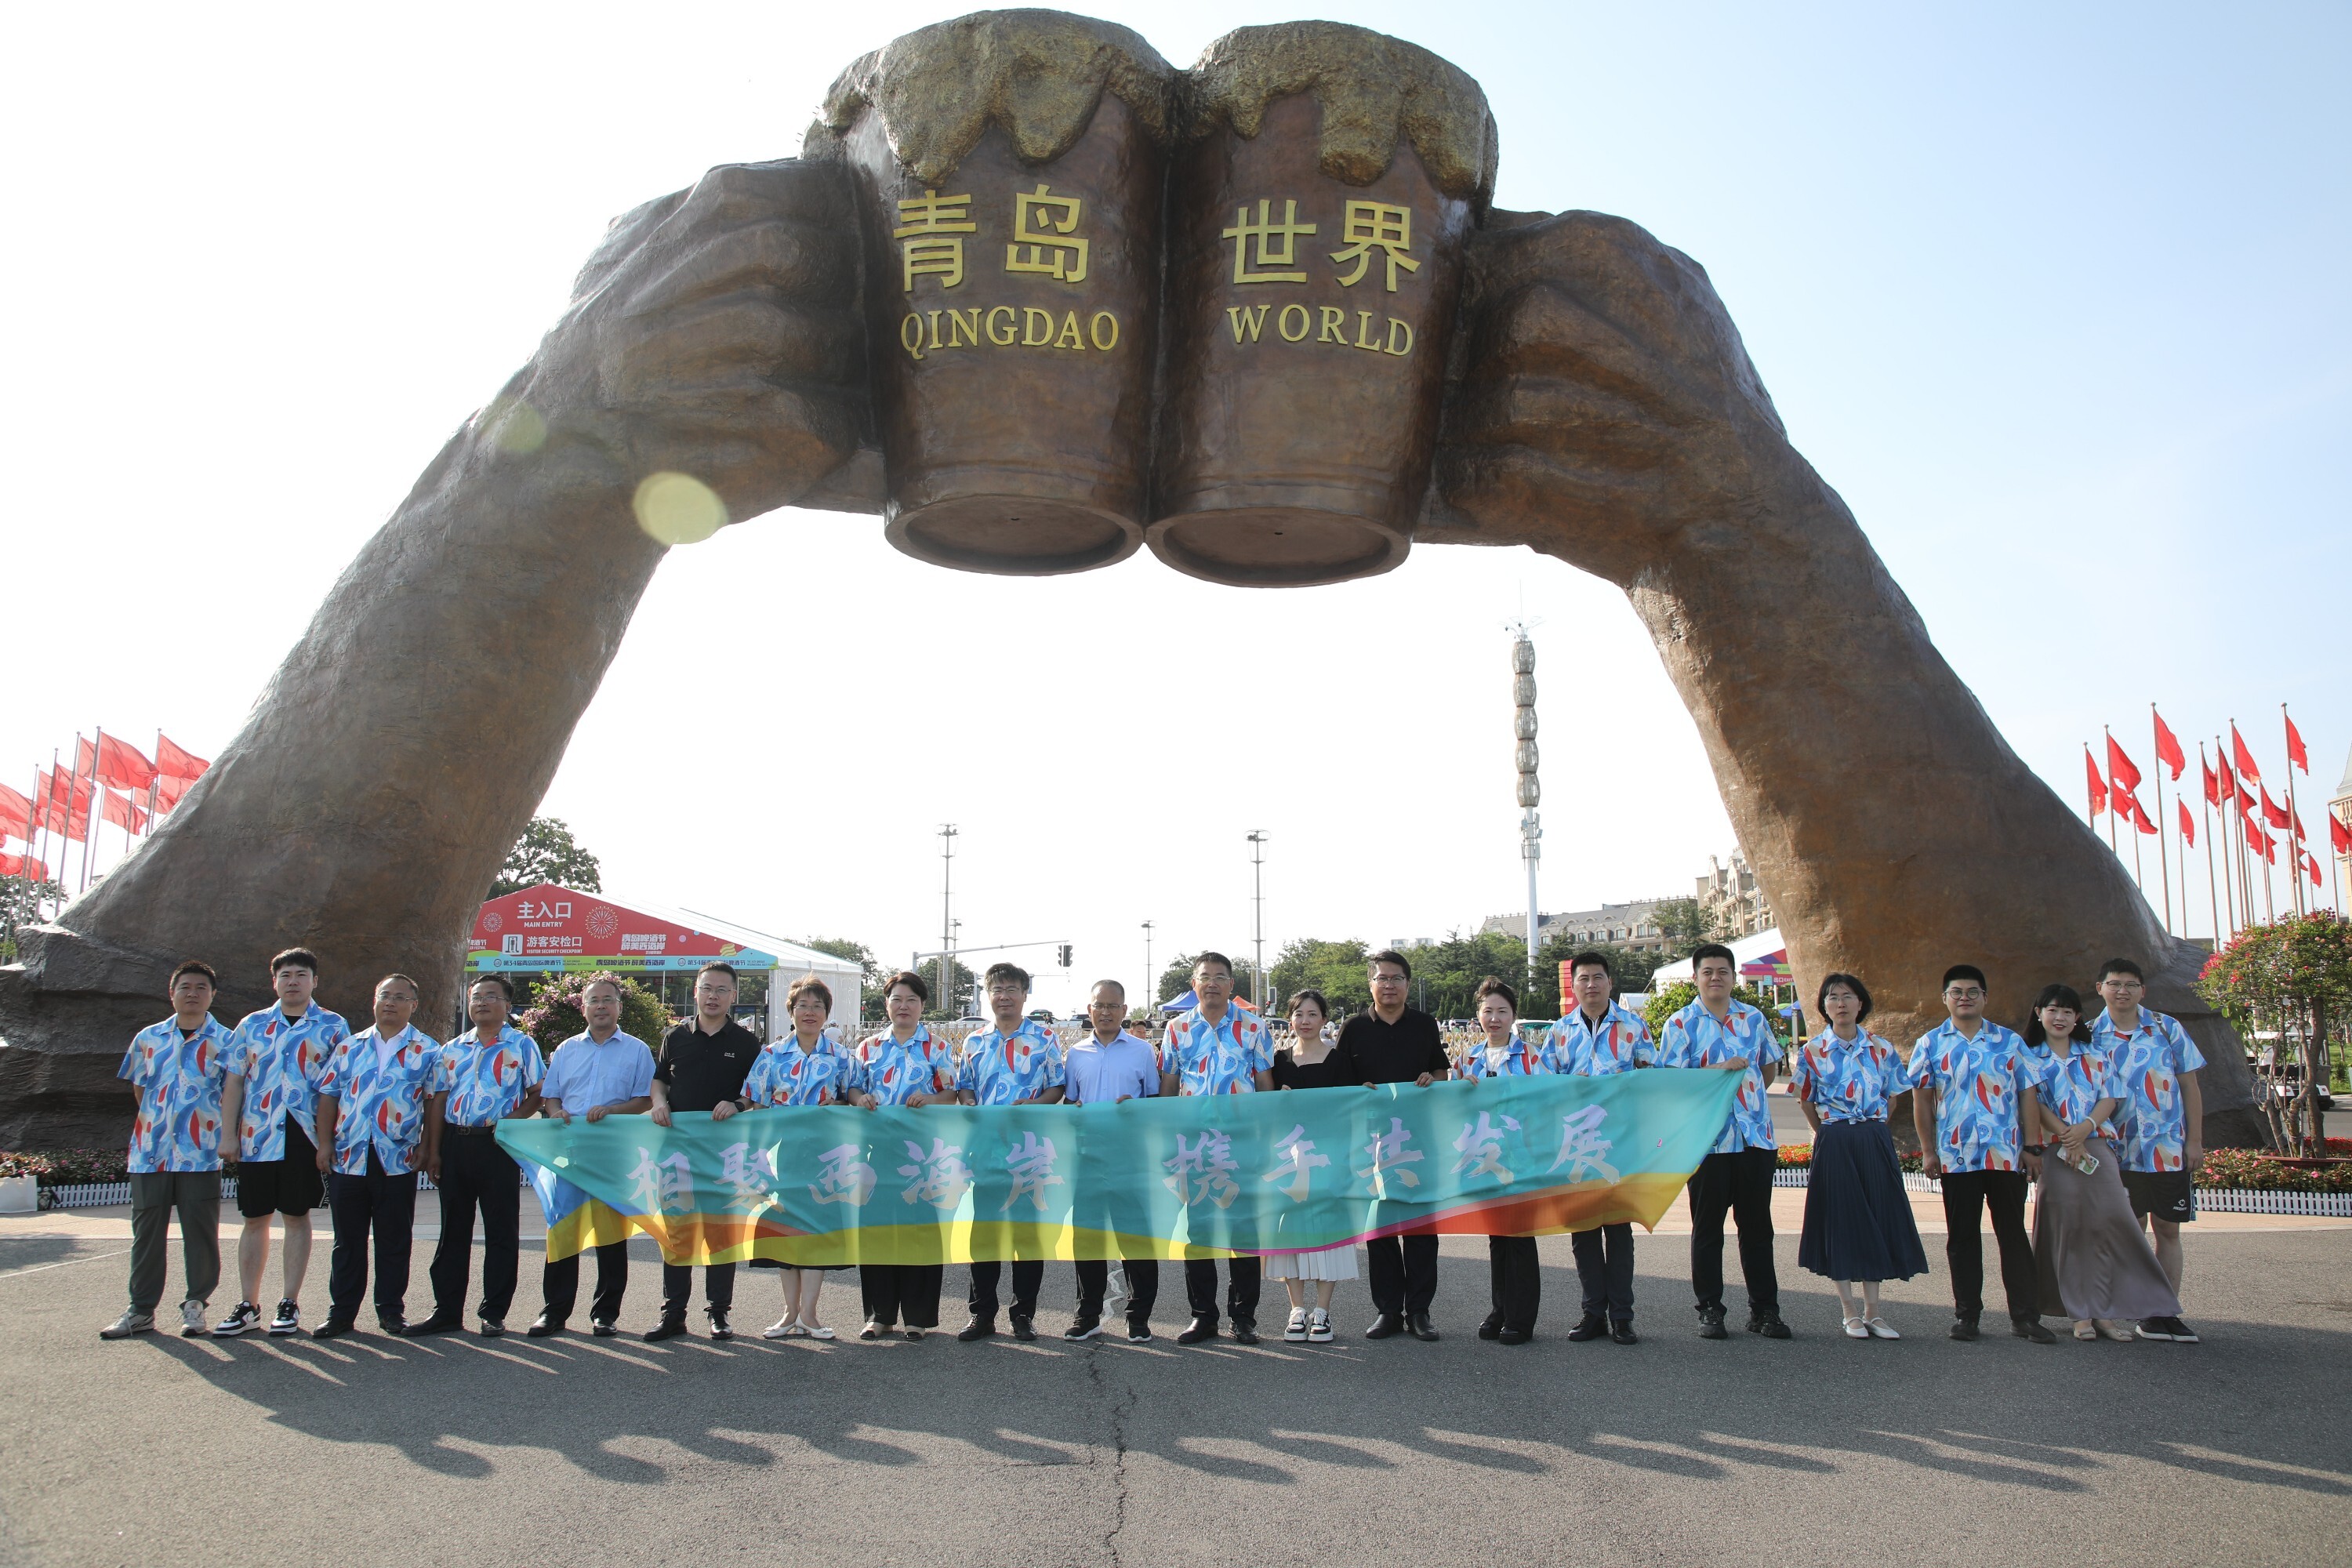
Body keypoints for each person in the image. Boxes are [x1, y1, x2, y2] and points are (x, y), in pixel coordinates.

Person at [1907, 964, 2056, 1344]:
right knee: (1962, 1238)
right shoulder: (1931, 1044)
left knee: (2012, 1235)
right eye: (1957, 992)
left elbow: (2028, 1095)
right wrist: (1928, 1151)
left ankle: (2025, 1317)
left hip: (2006, 1155)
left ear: (1985, 998)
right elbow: (1922, 1102)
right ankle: (1967, 1315)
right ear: (1945, 999)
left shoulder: (2009, 1042)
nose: (1965, 998)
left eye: (1973, 992)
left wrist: (2033, 1146)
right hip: (1957, 1156)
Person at [2023, 982, 2180, 1341]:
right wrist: (2068, 1135)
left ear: (2078, 1017)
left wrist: (2086, 1129)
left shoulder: (2094, 1054)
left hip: (2096, 1149)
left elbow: (2110, 1098)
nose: (2059, 1017)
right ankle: (2079, 1314)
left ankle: (2106, 1314)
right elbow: (2033, 1103)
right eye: (2052, 1009)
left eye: (2067, 1011)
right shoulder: (2029, 1056)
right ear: (2039, 1013)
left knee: (2107, 1229)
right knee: (2069, 1233)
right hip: (2056, 1153)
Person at [1653, 942, 1790, 1340]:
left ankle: (1765, 1310)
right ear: (1695, 978)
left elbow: (1767, 1069)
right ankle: (1710, 1308)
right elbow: (1675, 1084)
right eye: (1708, 971)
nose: (1716, 978)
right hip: (1708, 1143)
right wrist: (1718, 1071)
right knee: (1707, 1228)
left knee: (1757, 1228)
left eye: (1723, 971)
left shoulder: (1754, 1018)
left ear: (1734, 977)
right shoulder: (1679, 1024)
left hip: (1754, 1139)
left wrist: (1744, 1099)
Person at [214, 947, 348, 1338]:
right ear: (274, 981)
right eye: (286, 974)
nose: (293, 981)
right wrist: (228, 1134)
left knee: (296, 1216)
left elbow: (337, 1088)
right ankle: (248, 1304)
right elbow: (234, 1081)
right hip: (258, 1135)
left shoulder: (332, 1026)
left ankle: (289, 1302)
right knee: (254, 1218)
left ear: (315, 981)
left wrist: (329, 1141)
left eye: (301, 975)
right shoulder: (252, 1025)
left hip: (304, 1136)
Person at [1789, 973, 1926, 1339]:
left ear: (1860, 1003)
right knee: (1841, 1220)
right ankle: (1849, 1312)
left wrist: (1874, 1128)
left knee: (1877, 1216)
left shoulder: (1882, 1048)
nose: (1841, 1003)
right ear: (1824, 1007)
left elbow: (1894, 1095)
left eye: (1847, 996)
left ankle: (1875, 1314)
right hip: (1835, 1139)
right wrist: (1826, 1132)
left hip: (1873, 1138)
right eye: (1833, 998)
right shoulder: (1813, 1051)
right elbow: (1805, 1098)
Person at [103, 960, 234, 1340]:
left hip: (201, 1153)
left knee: (201, 1231)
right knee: (147, 1232)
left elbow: (231, 1095)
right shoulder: (149, 1038)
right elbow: (140, 1089)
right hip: (150, 1152)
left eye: (201, 988)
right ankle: (141, 1309)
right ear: (171, 992)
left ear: (212, 995)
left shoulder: (225, 1042)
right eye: (185, 987)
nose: (192, 993)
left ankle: (196, 1305)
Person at [410, 975, 543, 1338]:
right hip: (456, 1144)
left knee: (501, 1231)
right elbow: (437, 1102)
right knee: (453, 1230)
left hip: (498, 1147)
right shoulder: (450, 1049)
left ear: (507, 1005)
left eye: (491, 997)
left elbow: (537, 1094)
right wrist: (434, 1151)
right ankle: (447, 1310)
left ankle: (494, 1312)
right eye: (476, 997)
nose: (482, 1002)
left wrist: (510, 1124)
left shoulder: (522, 1046)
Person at [310, 974, 442, 1338]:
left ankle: (390, 1311)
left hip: (396, 1159)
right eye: (385, 995)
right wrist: (324, 1144)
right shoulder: (349, 1047)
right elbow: (329, 1096)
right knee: (347, 1241)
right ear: (374, 1000)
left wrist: (429, 1148)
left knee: (394, 1240)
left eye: (401, 997)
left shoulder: (428, 1050)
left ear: (413, 1006)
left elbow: (434, 1104)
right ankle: (341, 1314)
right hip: (348, 1157)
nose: (391, 1002)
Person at [1160, 952, 1276, 1345]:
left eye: (1220, 977)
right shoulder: (1176, 1029)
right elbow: (1168, 1088)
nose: (1212, 983)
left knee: (1244, 1232)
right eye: (1204, 976)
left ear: (1231, 986)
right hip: (1194, 1148)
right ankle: (1202, 1315)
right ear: (1194, 984)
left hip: (1241, 1144)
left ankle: (1243, 1317)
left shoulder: (1255, 1027)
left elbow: (1265, 1086)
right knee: (1199, 1233)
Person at [528, 976, 654, 1338]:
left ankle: (606, 1313)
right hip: (568, 1155)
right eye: (594, 1000)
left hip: (612, 1155)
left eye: (608, 1000)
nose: (601, 1006)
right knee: (563, 1229)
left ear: (619, 1007)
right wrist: (554, 1112)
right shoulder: (567, 1049)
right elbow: (551, 1095)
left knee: (610, 1235)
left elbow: (645, 1100)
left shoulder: (637, 1050)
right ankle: (554, 1311)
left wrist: (613, 1111)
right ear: (583, 1007)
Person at [1336, 949, 1452, 1342]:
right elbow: (1340, 1085)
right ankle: (1387, 1310)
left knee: (1420, 1227)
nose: (1388, 985)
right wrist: (1358, 1090)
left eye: (1396, 978)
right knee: (1380, 1228)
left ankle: (1420, 1310)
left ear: (1407, 984)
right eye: (1382, 978)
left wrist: (1430, 1080)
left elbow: (1440, 1070)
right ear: (1371, 983)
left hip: (1419, 1141)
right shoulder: (1353, 1028)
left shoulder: (1425, 1024)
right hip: (1371, 1143)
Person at [643, 961, 760, 1342]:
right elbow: (660, 1079)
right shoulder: (675, 1036)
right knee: (677, 1232)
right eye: (707, 988)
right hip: (676, 1151)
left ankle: (719, 1312)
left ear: (734, 996)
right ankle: (673, 1312)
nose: (713, 996)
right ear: (696, 992)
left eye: (722, 990)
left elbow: (756, 1093)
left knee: (721, 1233)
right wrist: (658, 1102)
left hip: (725, 1154)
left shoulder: (746, 1043)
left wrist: (737, 1105)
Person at [2090, 958, 2205, 1343]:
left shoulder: (2166, 1028)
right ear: (2100, 988)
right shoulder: (2089, 1036)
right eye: (2114, 983)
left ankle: (2165, 1310)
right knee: (2133, 1230)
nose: (2122, 991)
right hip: (2118, 1152)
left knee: (2168, 1229)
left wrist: (2194, 1141)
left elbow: (2190, 1087)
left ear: (2143, 990)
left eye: (2130, 984)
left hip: (2168, 1148)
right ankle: (2142, 1309)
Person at [739, 973, 859, 1340]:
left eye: (818, 1006)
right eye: (802, 1005)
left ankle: (811, 1314)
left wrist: (846, 1102)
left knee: (817, 1233)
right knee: (785, 1232)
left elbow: (853, 1094)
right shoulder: (771, 1055)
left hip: (826, 1158)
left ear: (827, 1014)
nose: (810, 1012)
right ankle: (789, 1314)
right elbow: (754, 1102)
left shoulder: (841, 1056)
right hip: (781, 1157)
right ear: (791, 1011)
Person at [1544, 952, 1656, 1345]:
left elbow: (1651, 1081)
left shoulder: (1633, 1026)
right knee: (1584, 1232)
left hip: (1621, 1144)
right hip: (1578, 1146)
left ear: (1610, 983)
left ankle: (1623, 1316)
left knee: (1619, 1231)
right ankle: (1593, 1313)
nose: (1591, 985)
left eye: (1598, 978)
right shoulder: (1558, 1032)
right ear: (1573, 987)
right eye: (1584, 979)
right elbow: (1544, 1091)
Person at [955, 962, 1066, 1342]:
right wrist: (969, 1103)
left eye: (1011, 989)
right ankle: (981, 1313)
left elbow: (1057, 1088)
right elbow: (964, 1087)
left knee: (1028, 1236)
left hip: (1029, 1154)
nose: (1004, 996)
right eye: (997, 990)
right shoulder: (975, 1041)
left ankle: (1023, 1315)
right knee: (983, 1234)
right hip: (986, 1154)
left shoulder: (1045, 1038)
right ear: (988, 995)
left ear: (1024, 994)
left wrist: (1034, 1107)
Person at [848, 970, 960, 1341]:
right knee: (877, 1231)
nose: (904, 1006)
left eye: (911, 1000)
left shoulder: (937, 1047)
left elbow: (952, 1094)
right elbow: (852, 1089)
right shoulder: (868, 1047)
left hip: (923, 1155)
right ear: (887, 1004)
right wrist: (859, 1099)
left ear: (922, 1006)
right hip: (877, 1153)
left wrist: (930, 1099)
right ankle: (880, 1315)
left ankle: (918, 1316)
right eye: (897, 999)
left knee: (922, 1231)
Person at [1060, 978, 1163, 1343]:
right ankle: (1088, 1314)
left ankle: (1139, 1317)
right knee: (1087, 1239)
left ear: (1124, 1010)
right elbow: (1072, 1103)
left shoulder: (1141, 1052)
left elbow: (1154, 1102)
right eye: (1098, 1006)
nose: (1105, 1012)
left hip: (1130, 1159)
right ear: (1089, 1010)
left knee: (1136, 1238)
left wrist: (1134, 1109)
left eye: (1113, 1006)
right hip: (1087, 1158)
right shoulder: (1075, 1055)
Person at [1457, 976, 1552, 1345]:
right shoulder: (1468, 1058)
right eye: (1488, 1011)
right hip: (1485, 1159)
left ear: (1514, 1015)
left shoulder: (1531, 1056)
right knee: (1497, 1237)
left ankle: (1521, 1317)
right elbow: (1454, 1108)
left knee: (1521, 1238)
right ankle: (1499, 1309)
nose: (1494, 1018)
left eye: (1502, 1011)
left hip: (1522, 1158)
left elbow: (1546, 1104)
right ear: (1478, 1015)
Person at [1263, 988, 1359, 1345]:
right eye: (1299, 1014)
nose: (1305, 1021)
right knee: (1291, 1233)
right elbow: (1267, 1111)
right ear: (1290, 1018)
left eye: (1313, 1014)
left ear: (1324, 1019)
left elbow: (1351, 1107)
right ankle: (1296, 1309)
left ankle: (1323, 1311)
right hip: (1289, 1161)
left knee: (1328, 1233)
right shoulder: (1278, 1060)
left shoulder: (1339, 1059)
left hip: (1329, 1159)